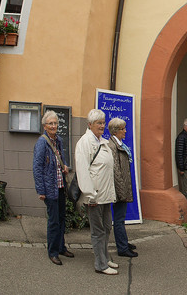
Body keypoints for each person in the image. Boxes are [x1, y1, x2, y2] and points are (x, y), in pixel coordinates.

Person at [76, 109, 119, 275]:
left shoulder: (103, 141)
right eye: (98, 123)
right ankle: (100, 264)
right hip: (94, 196)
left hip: (106, 195)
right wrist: (90, 194)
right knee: (98, 231)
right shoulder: (85, 142)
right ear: (90, 125)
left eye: (103, 123)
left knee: (107, 227)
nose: (102, 126)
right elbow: (82, 170)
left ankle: (104, 256)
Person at [33, 110, 73, 266]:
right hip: (49, 189)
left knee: (62, 218)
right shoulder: (42, 142)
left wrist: (64, 167)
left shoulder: (59, 140)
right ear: (44, 126)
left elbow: (58, 161)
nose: (54, 126)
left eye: (55, 123)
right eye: (50, 123)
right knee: (53, 221)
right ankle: (53, 252)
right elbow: (37, 167)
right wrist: (40, 190)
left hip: (60, 186)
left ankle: (61, 247)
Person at [107, 118, 138, 258]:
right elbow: (116, 172)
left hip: (122, 187)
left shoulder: (119, 144)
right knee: (119, 219)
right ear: (116, 131)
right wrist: (122, 192)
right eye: (123, 129)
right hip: (119, 189)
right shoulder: (112, 146)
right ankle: (122, 247)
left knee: (121, 218)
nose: (125, 131)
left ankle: (124, 241)